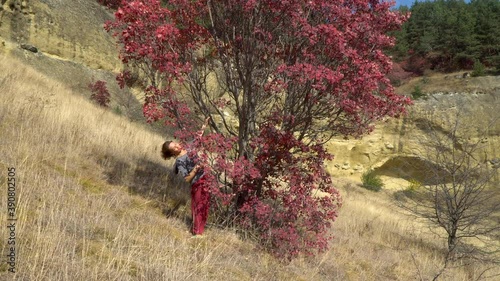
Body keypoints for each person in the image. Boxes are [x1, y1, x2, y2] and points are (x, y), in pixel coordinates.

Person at [161, 119, 210, 238]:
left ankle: (199, 230)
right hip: (197, 182)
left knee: (205, 205)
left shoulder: (187, 147)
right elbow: (187, 179)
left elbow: (197, 138)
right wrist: (196, 169)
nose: (178, 146)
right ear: (173, 153)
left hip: (206, 178)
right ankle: (197, 233)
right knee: (198, 205)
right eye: (174, 148)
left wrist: (204, 126)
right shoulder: (180, 161)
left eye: (175, 144)